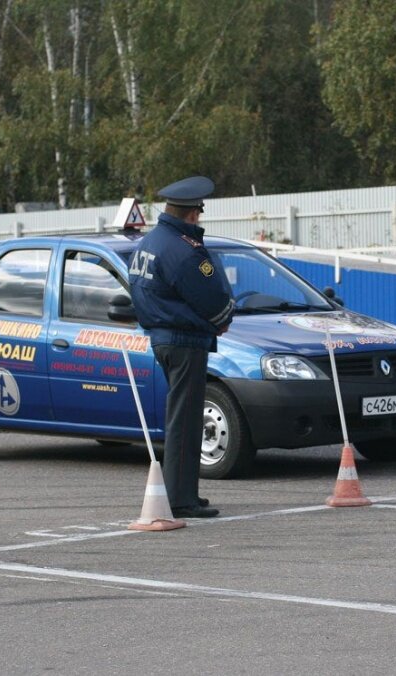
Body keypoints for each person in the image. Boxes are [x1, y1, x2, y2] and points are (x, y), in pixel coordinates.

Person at [128, 176, 234, 518]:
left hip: (162, 338)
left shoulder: (150, 243)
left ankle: (185, 491)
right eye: (199, 213)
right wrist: (222, 317)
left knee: (182, 418)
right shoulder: (184, 250)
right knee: (186, 421)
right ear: (192, 214)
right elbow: (211, 298)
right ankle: (179, 499)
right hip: (185, 340)